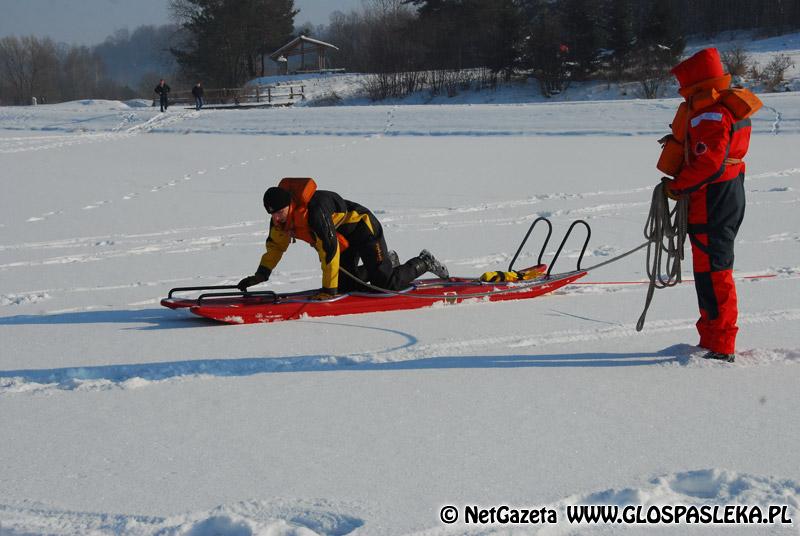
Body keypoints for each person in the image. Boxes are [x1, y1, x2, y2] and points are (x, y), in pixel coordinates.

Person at [662, 48, 753, 363]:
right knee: (710, 270)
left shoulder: (708, 113)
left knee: (714, 272)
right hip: (727, 193)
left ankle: (721, 344)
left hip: (712, 199)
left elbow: (709, 162)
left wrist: (677, 186)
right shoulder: (724, 105)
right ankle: (712, 338)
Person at [237, 178, 449, 300]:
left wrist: (328, 291)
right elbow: (275, 247)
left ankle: (423, 261)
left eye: (279, 212)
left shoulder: (315, 212)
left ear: (291, 205)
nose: (276, 217)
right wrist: (261, 275)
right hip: (343, 240)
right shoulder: (279, 221)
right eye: (272, 214)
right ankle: (388, 261)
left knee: (385, 285)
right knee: (346, 287)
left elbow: (329, 252)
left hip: (364, 230)